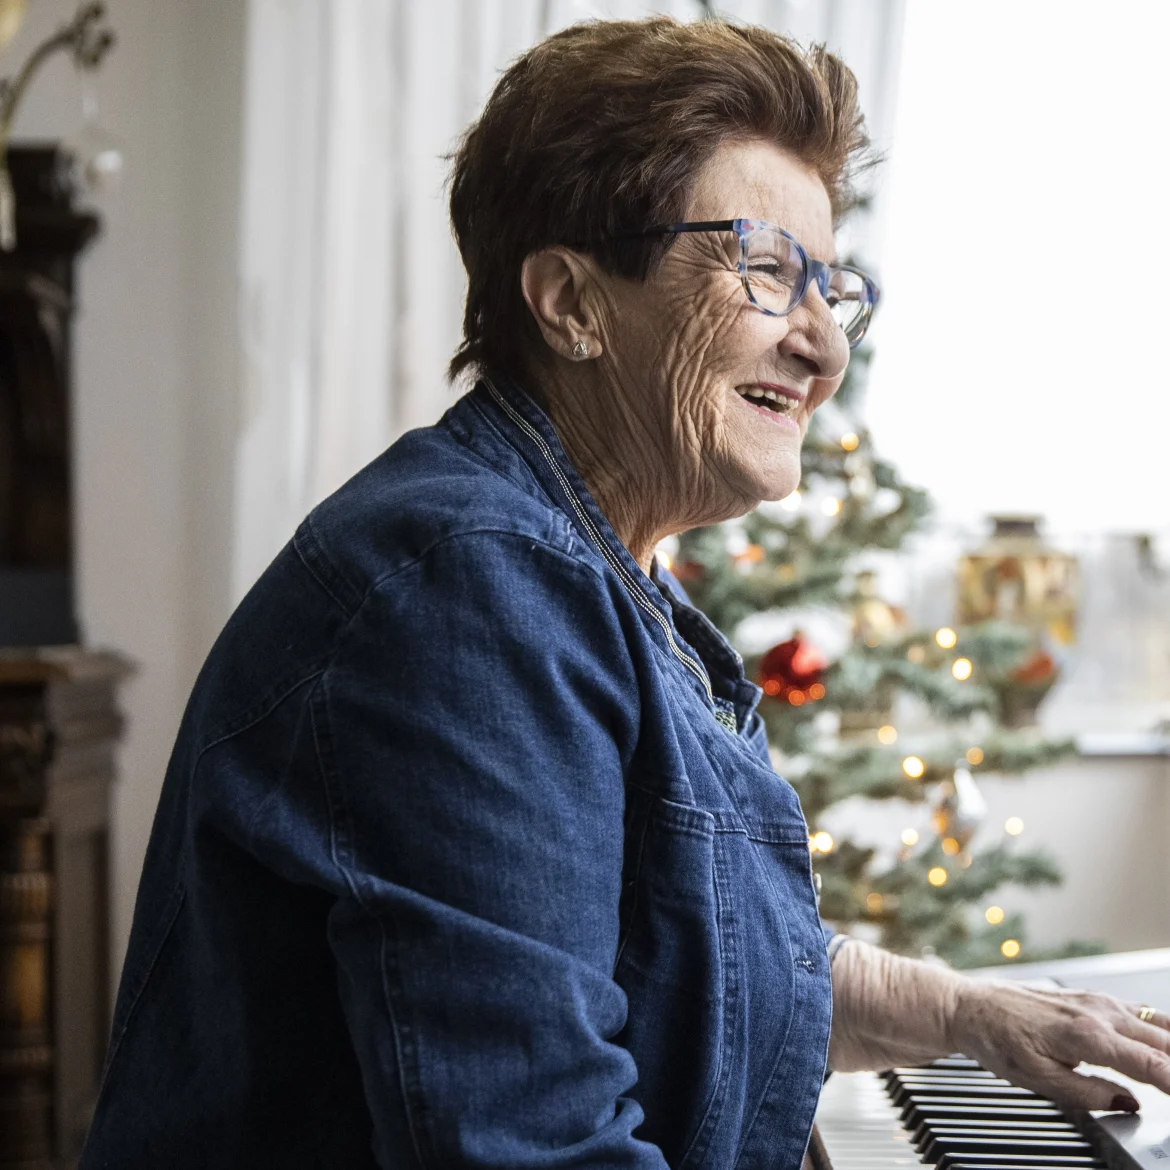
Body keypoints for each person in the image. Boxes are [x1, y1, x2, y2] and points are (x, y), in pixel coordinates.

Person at [81, 16, 1170, 1170]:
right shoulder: (468, 587)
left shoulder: (581, 567)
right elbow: (537, 1148)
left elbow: (694, 964)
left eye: (832, 287)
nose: (825, 348)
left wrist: (961, 1013)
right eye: (765, 269)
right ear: (571, 302)